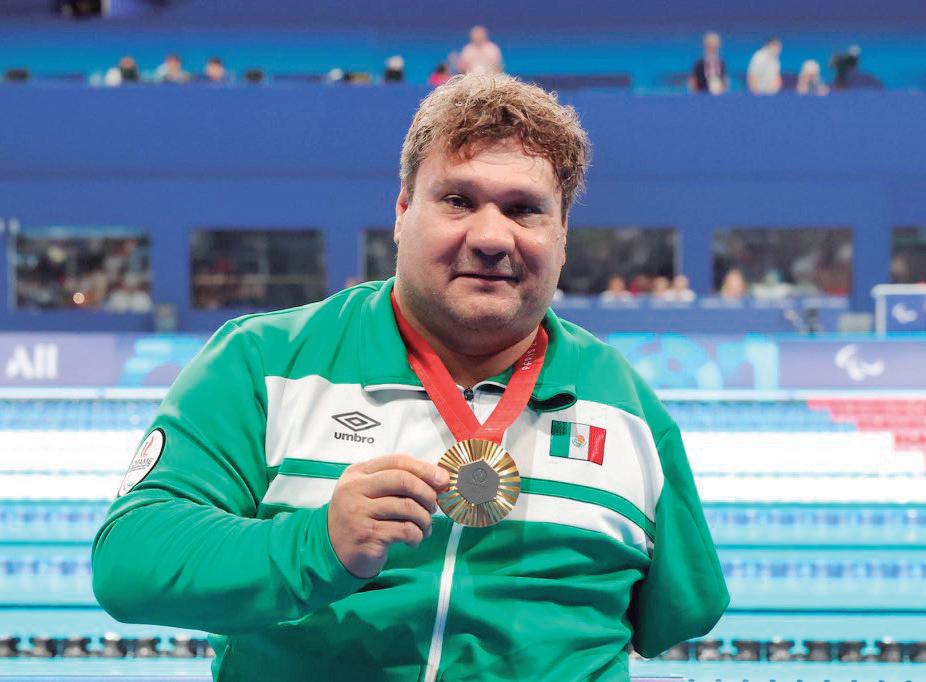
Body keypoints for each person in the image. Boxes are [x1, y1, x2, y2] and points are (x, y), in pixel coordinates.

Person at [92, 73, 727, 681]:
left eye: (524, 210)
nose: (491, 237)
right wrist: (316, 544)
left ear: (562, 234)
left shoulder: (628, 407)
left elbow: (686, 609)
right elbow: (130, 559)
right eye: (458, 200)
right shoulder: (265, 363)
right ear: (401, 212)